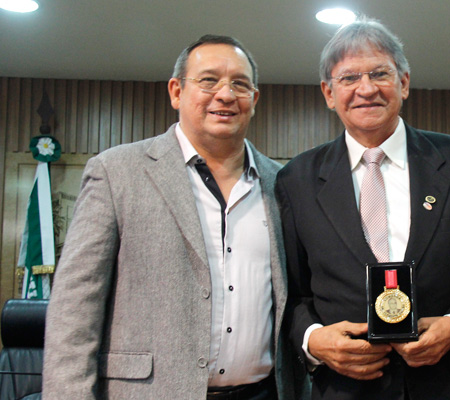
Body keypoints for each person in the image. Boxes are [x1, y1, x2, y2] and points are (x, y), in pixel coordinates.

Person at [42, 34, 306, 399]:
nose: (226, 95)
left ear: (254, 100)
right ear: (176, 91)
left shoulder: (283, 183)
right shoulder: (117, 172)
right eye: (209, 80)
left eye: (240, 84)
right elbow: (73, 312)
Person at [276, 18, 450, 400]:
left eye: (379, 73)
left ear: (403, 83)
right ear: (328, 92)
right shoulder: (296, 180)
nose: (366, 89)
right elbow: (292, 293)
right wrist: (315, 340)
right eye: (349, 78)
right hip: (345, 389)